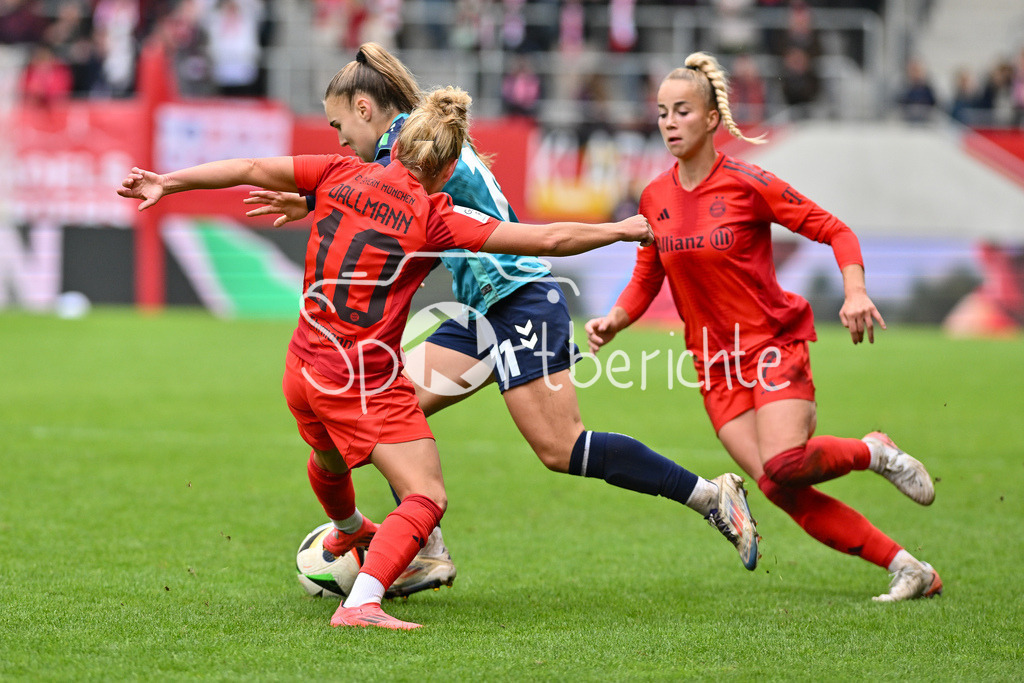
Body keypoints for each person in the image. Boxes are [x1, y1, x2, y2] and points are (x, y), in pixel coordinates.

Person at [117, 85, 658, 629]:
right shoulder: (435, 216)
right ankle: (363, 604)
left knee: (328, 458)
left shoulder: (337, 174)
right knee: (426, 494)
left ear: (392, 145)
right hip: (359, 376)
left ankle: (350, 528)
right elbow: (547, 240)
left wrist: (170, 181)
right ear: (448, 172)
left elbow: (253, 166)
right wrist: (621, 228)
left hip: (302, 366)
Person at [245, 42, 763, 597]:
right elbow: (369, 190)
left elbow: (376, 191)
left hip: (519, 299)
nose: (339, 138)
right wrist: (312, 198)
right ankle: (427, 553)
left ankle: (711, 496)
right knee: (391, 416)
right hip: (478, 311)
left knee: (559, 448)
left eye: (339, 123)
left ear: (365, 108)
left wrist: (313, 194)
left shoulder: (410, 145)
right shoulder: (410, 142)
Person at [584, 51, 943, 603]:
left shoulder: (749, 183)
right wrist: (616, 317)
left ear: (711, 119)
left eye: (682, 110)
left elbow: (836, 230)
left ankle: (874, 451)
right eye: (661, 112)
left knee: (783, 462)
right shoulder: (655, 197)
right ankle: (908, 568)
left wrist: (854, 290)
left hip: (773, 344)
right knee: (781, 487)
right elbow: (646, 275)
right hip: (712, 362)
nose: (669, 122)